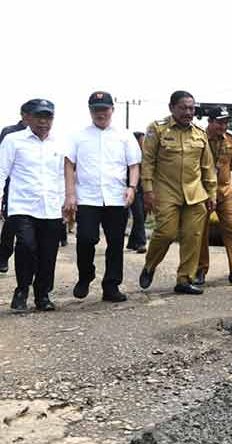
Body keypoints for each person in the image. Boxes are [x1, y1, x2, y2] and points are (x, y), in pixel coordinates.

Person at [63, 91, 141, 303]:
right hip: (87, 197)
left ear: (112, 110)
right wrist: (70, 194)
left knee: (116, 243)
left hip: (116, 197)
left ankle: (111, 285)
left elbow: (133, 165)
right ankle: (86, 275)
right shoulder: (78, 136)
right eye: (96, 110)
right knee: (86, 238)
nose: (101, 114)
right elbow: (69, 164)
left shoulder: (125, 136)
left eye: (104, 109)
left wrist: (132, 187)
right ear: (90, 111)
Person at [139, 91, 216, 295]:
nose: (188, 112)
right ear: (172, 108)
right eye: (183, 108)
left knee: (193, 236)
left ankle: (184, 279)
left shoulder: (200, 133)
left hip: (195, 192)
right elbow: (148, 161)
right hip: (165, 190)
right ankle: (149, 265)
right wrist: (147, 190)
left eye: (191, 108)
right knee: (166, 233)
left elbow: (207, 166)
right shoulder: (157, 129)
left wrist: (212, 194)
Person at [0, 99, 65, 312]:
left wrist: (66, 202)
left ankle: (42, 294)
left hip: (51, 207)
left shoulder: (59, 143)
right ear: (28, 118)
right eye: (39, 117)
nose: (44, 122)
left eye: (48, 117)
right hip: (23, 206)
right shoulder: (13, 140)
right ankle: (22, 290)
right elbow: (2, 172)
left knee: (48, 253)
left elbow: (62, 176)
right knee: (26, 246)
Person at [194, 109, 232, 285]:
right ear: (210, 122)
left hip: (225, 191)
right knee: (201, 232)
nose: (223, 126)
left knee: (231, 229)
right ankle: (200, 270)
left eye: (225, 123)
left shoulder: (231, 140)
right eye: (219, 122)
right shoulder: (199, 138)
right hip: (202, 192)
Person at [0, 100, 35, 273]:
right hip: (12, 187)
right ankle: (4, 255)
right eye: (31, 114)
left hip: (34, 189)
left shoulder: (44, 133)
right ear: (23, 115)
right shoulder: (10, 133)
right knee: (11, 223)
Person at [126, 131, 147, 253]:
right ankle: (141, 243)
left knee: (142, 216)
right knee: (138, 215)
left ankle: (132, 242)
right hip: (132, 189)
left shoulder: (145, 155)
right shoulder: (130, 155)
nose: (143, 143)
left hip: (143, 189)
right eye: (141, 140)